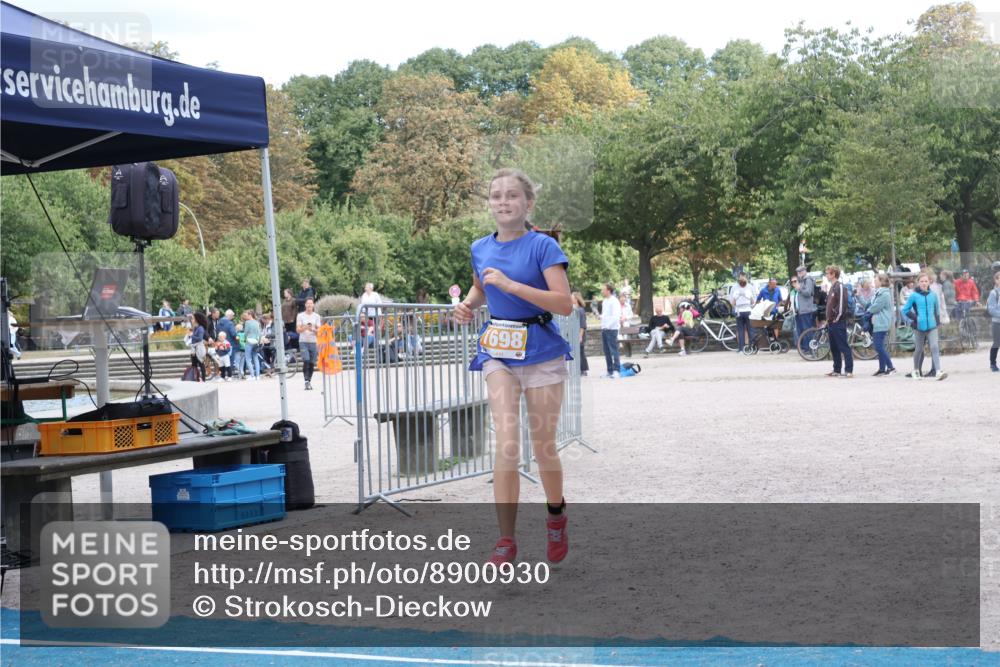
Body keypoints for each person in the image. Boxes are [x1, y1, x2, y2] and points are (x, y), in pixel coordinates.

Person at [453, 168, 573, 566]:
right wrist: (468, 306)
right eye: (496, 196)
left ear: (528, 203)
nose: (503, 202)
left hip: (541, 351)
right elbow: (481, 286)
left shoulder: (543, 247)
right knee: (506, 442)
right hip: (499, 352)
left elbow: (563, 303)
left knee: (542, 448)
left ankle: (555, 513)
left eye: (512, 196)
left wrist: (511, 286)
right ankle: (506, 539)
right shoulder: (479, 247)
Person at [901, 272, 947, 380]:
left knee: (934, 347)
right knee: (919, 349)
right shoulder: (914, 296)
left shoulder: (933, 295)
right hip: (919, 326)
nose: (924, 283)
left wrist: (937, 323)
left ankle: (938, 371)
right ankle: (916, 370)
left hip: (932, 326)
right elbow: (905, 309)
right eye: (921, 281)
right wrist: (915, 318)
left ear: (929, 282)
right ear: (918, 282)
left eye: (926, 281)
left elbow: (937, 311)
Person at [824, 265, 854, 378]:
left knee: (843, 346)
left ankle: (849, 370)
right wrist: (828, 320)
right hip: (831, 322)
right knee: (834, 347)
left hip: (838, 322)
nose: (826, 275)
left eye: (828, 273)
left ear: (833, 274)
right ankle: (836, 369)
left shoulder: (840, 287)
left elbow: (842, 304)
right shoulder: (832, 287)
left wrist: (836, 318)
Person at [867, 274, 896, 376]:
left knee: (878, 346)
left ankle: (891, 367)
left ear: (881, 281)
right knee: (880, 346)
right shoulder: (880, 292)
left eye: (876, 280)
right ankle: (882, 368)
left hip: (881, 322)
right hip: (879, 322)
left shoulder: (884, 294)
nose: (874, 282)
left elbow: (876, 307)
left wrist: (868, 310)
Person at [296, 297, 322, 390]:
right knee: (306, 360)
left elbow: (319, 331)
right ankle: (306, 380)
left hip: (313, 342)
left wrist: (313, 329)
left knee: (312, 362)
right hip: (303, 341)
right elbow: (298, 330)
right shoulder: (300, 316)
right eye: (308, 303)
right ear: (305, 305)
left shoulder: (317, 316)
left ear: (313, 305)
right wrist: (305, 328)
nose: (309, 305)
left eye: (311, 303)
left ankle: (309, 381)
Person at [599, 283, 622, 378]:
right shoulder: (605, 301)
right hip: (604, 328)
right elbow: (606, 315)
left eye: (603, 289)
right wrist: (601, 318)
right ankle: (610, 371)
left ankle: (617, 370)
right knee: (607, 351)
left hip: (612, 329)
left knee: (614, 350)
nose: (602, 291)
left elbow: (616, 316)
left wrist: (608, 326)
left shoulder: (614, 301)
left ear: (608, 291)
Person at [728, 273, 755, 352]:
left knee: (741, 330)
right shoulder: (750, 287)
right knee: (750, 329)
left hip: (740, 311)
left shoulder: (734, 288)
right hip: (747, 310)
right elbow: (754, 301)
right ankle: (751, 347)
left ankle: (741, 348)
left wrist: (735, 306)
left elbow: (731, 302)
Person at [794, 266, 817, 352]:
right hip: (801, 310)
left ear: (804, 272)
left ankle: (810, 348)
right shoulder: (803, 280)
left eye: (800, 272)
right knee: (803, 330)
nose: (798, 274)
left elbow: (808, 292)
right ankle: (805, 348)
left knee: (807, 330)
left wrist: (799, 288)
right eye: (798, 273)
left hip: (806, 309)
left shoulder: (808, 280)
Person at [571, 292, 589, 375]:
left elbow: (582, 325)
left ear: (576, 299)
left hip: (579, 335)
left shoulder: (580, 310)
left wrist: (580, 336)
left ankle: (583, 370)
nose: (571, 299)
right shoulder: (575, 309)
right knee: (578, 352)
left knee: (581, 352)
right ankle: (580, 369)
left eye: (572, 297)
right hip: (575, 334)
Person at [189, 312, 209, 382]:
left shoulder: (200, 328)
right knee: (194, 365)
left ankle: (203, 379)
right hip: (194, 349)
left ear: (197, 319)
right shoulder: (195, 328)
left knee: (201, 364)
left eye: (193, 318)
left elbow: (200, 338)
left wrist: (192, 335)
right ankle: (196, 378)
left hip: (199, 349)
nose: (192, 320)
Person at [242, 310, 262, 380]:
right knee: (256, 358)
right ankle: (258, 376)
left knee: (248, 359)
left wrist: (244, 339)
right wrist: (259, 341)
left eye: (246, 315)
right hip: (256, 341)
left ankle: (252, 376)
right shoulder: (257, 322)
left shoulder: (247, 322)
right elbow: (260, 333)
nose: (245, 317)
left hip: (249, 341)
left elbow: (246, 332)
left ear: (250, 315)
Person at [987, 271, 1000, 373]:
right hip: (997, 323)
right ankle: (993, 363)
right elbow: (991, 309)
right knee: (997, 343)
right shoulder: (993, 293)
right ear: (996, 280)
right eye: (999, 278)